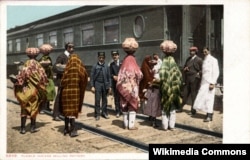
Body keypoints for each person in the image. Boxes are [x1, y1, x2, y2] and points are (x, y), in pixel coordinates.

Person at [13, 47, 48, 134]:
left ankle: (23, 128)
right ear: (36, 55)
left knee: (24, 108)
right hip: (35, 90)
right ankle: (32, 127)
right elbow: (43, 77)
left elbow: (21, 77)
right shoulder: (38, 65)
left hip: (26, 90)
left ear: (28, 55)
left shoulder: (26, 64)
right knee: (34, 108)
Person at [116, 38, 143, 130]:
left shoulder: (124, 61)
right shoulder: (133, 60)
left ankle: (125, 124)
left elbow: (120, 76)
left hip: (123, 88)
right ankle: (131, 125)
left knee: (124, 105)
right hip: (132, 88)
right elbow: (139, 74)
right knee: (132, 105)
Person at [60, 53, 88, 137]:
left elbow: (62, 81)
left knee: (67, 110)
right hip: (75, 92)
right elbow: (85, 77)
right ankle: (72, 130)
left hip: (66, 92)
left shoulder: (68, 67)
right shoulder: (80, 67)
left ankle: (65, 129)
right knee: (73, 110)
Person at [159, 40, 182, 131]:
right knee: (172, 109)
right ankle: (172, 126)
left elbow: (161, 75)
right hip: (174, 89)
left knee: (165, 108)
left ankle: (165, 126)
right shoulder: (174, 63)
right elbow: (179, 76)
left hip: (165, 89)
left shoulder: (164, 62)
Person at [193, 47, 219, 122]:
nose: (204, 53)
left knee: (209, 99)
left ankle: (209, 115)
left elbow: (216, 72)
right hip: (204, 82)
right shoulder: (204, 60)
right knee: (202, 98)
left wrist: (213, 82)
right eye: (203, 52)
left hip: (210, 82)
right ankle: (209, 113)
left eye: (206, 51)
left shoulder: (213, 60)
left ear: (209, 51)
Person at [177, 46, 202, 114]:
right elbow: (184, 66)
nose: (191, 52)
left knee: (193, 95)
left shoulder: (199, 60)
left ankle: (193, 110)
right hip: (187, 79)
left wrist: (198, 73)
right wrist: (185, 69)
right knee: (185, 94)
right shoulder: (188, 59)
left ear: (196, 52)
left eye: (193, 51)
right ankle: (180, 108)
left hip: (194, 79)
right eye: (190, 51)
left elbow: (202, 70)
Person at [52, 42, 72, 121]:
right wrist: (65, 69)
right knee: (59, 96)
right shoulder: (62, 56)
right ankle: (56, 114)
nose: (73, 49)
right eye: (71, 47)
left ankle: (63, 113)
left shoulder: (71, 56)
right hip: (62, 80)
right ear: (67, 48)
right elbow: (55, 67)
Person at [139, 55, 161, 127]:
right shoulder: (146, 69)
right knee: (153, 104)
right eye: (149, 60)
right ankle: (153, 121)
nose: (150, 62)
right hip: (151, 89)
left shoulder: (149, 68)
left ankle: (151, 118)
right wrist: (153, 80)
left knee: (151, 104)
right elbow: (147, 79)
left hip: (151, 88)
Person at [90, 52, 112, 120]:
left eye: (102, 58)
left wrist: (110, 86)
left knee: (105, 99)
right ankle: (97, 114)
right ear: (98, 58)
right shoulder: (95, 66)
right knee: (97, 99)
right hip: (97, 84)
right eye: (100, 58)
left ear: (104, 58)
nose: (101, 59)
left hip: (105, 84)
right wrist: (92, 86)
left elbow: (109, 77)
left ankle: (104, 112)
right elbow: (92, 77)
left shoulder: (106, 67)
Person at [38, 44, 56, 113]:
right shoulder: (45, 58)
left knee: (48, 92)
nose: (48, 52)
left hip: (48, 77)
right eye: (47, 51)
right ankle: (43, 108)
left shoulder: (46, 57)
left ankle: (46, 107)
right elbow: (44, 65)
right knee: (46, 92)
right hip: (45, 77)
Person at [109, 50, 122, 118]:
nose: (115, 56)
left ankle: (122, 110)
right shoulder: (111, 65)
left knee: (122, 97)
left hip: (122, 84)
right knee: (116, 97)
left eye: (116, 55)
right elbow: (110, 74)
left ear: (118, 56)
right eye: (113, 55)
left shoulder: (122, 63)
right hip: (115, 84)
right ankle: (117, 111)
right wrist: (113, 76)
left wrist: (120, 77)